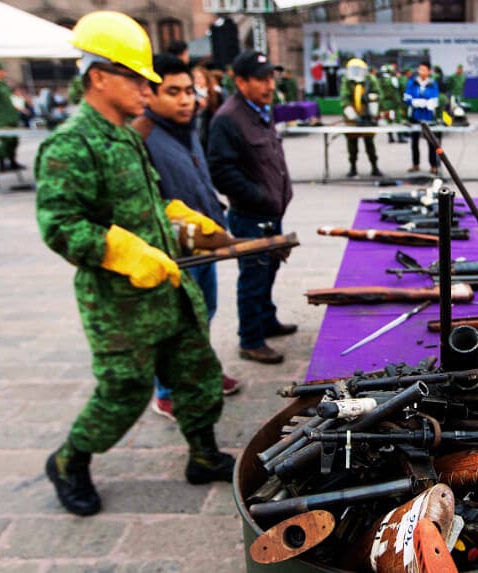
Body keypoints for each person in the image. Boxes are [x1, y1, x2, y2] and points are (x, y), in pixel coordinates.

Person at [36, 11, 235, 517]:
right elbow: (60, 225)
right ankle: (69, 461)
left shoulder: (125, 134)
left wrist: (183, 221)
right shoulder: (70, 143)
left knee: (195, 372)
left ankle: (203, 455)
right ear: (98, 76)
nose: (146, 89)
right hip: (119, 303)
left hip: (165, 283)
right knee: (124, 393)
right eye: (135, 77)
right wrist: (123, 251)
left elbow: (146, 206)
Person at [130, 54, 242, 421]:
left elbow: (198, 180)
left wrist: (213, 220)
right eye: (172, 92)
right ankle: (166, 392)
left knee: (203, 313)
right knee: (174, 323)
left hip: (202, 244)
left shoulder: (189, 127)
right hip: (170, 252)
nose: (184, 100)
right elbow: (144, 202)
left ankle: (200, 371)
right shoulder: (141, 135)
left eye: (189, 91)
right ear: (150, 94)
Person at [207, 50, 297, 365]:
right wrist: (258, 195)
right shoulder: (228, 118)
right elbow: (220, 171)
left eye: (271, 77)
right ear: (240, 81)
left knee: (269, 270)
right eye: (261, 79)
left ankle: (266, 320)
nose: (269, 84)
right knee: (254, 276)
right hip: (250, 216)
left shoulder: (260, 110)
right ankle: (250, 339)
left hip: (271, 212)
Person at [339, 58, 384, 178]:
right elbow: (345, 99)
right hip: (352, 119)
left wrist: (372, 105)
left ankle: (374, 167)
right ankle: (352, 167)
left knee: (370, 143)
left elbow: (378, 95)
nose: (356, 72)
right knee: (352, 144)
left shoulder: (370, 80)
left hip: (368, 116)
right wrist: (352, 115)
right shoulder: (347, 81)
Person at [404, 61, 441, 175]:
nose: (421, 72)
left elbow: (435, 98)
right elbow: (406, 97)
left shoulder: (432, 83)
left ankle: (433, 165)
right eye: (420, 69)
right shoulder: (412, 82)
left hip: (428, 117)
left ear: (429, 71)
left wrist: (429, 103)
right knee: (414, 142)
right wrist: (414, 102)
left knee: (431, 142)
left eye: (424, 70)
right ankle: (415, 164)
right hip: (415, 116)